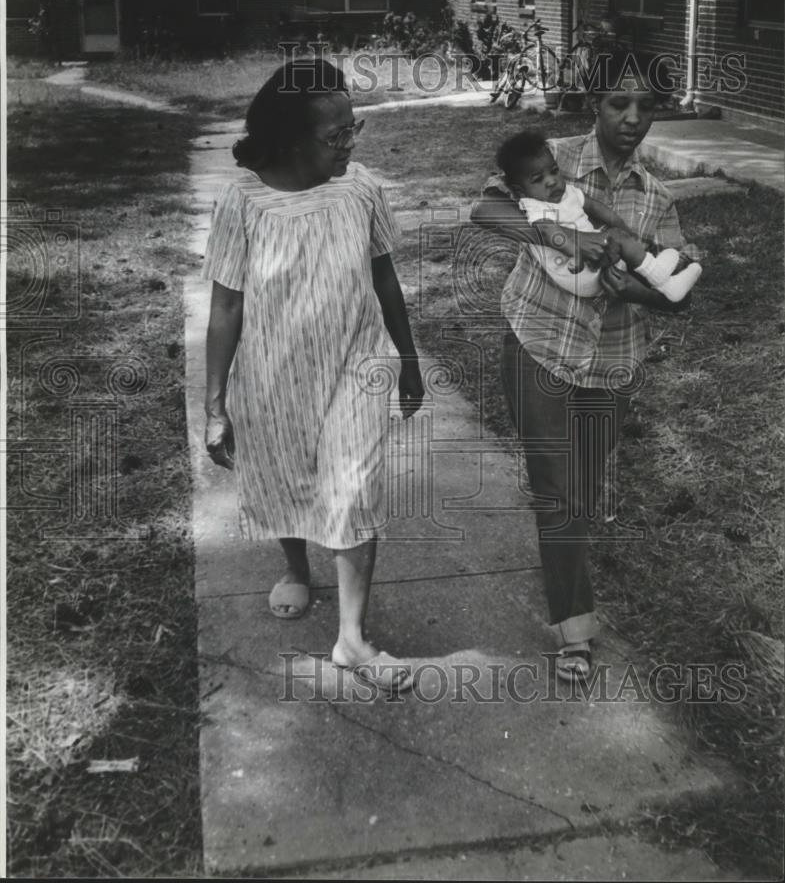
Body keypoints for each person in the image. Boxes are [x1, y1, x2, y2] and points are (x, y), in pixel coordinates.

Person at [471, 49, 699, 685]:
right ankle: (576, 628)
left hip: (612, 364)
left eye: (645, 107)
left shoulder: (656, 198)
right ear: (593, 104)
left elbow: (679, 290)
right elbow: (484, 210)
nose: (631, 118)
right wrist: (561, 237)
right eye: (617, 103)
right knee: (559, 493)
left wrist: (629, 284)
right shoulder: (550, 161)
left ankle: (566, 571)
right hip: (539, 345)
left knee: (583, 489)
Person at [202, 57, 424, 693]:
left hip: (358, 366)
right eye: (336, 136)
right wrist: (215, 405)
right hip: (273, 374)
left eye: (354, 130)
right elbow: (226, 306)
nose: (349, 144)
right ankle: (296, 565)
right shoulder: (242, 201)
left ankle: (353, 638)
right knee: (287, 472)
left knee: (352, 488)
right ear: (292, 138)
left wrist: (407, 359)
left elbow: (385, 277)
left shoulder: (361, 190)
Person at [495, 130, 702, 301]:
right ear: (520, 191)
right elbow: (549, 232)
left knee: (621, 241)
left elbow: (597, 208)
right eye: (538, 179)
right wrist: (576, 250)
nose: (551, 181)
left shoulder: (567, 192)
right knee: (618, 241)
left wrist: (622, 227)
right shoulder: (534, 206)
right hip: (573, 271)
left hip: (594, 267)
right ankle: (658, 275)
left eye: (554, 171)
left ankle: (667, 283)